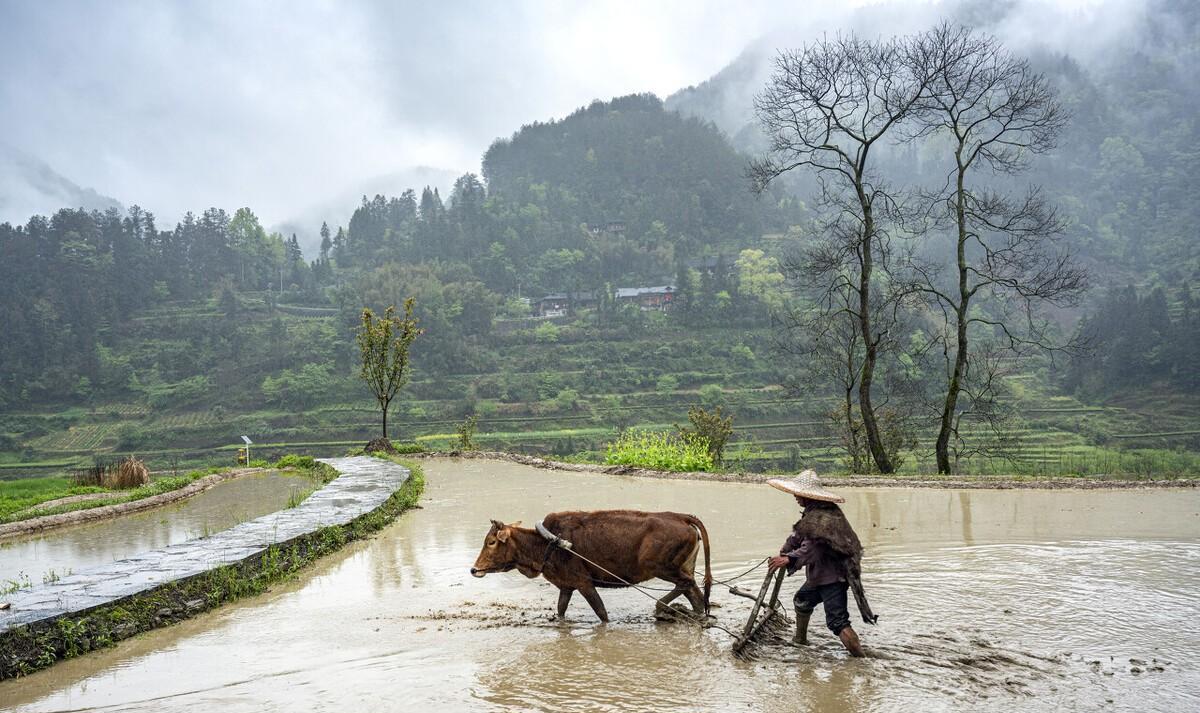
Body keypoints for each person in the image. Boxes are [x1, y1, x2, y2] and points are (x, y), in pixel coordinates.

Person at [766, 470, 875, 657]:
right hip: (822, 575)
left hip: (833, 576)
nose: (795, 497)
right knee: (802, 600)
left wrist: (789, 559)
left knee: (838, 622)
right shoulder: (815, 512)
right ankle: (800, 641)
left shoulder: (823, 517)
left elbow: (812, 548)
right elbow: (799, 535)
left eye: (797, 493)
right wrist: (784, 551)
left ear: (805, 495)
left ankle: (861, 660)